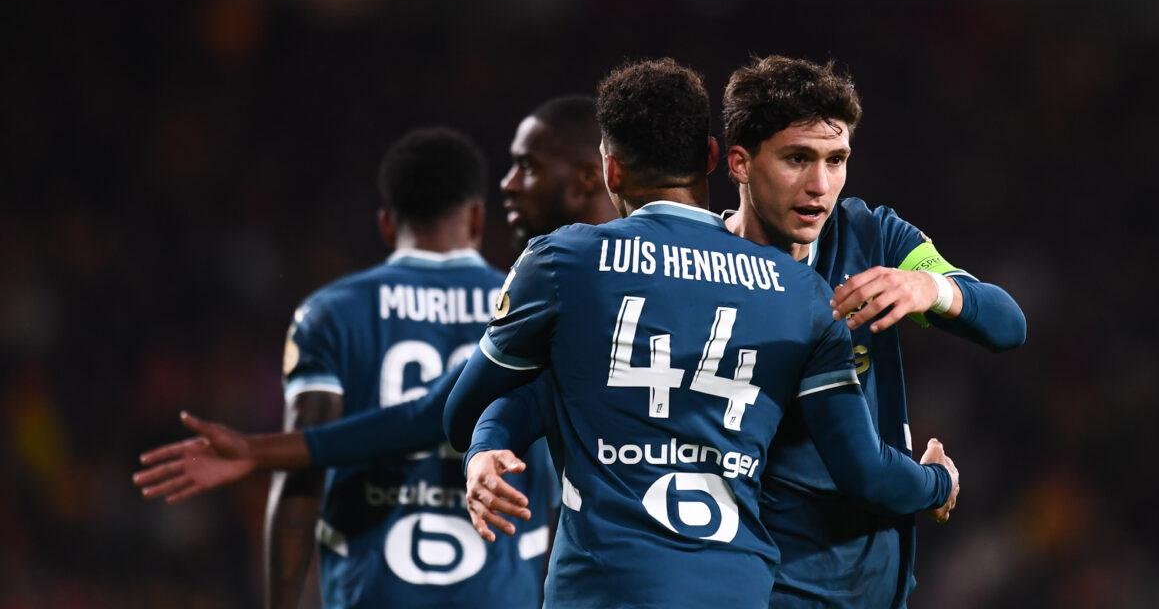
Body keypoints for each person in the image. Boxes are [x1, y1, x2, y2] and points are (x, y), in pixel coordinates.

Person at [467, 56, 1025, 608]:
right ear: (737, 163)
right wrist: (488, 444)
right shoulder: (685, 273)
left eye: (836, 160)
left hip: (872, 580)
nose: (819, 185)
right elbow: (548, 388)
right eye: (797, 159)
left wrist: (931, 289)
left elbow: (1007, 324)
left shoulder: (871, 237)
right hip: (770, 578)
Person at [135, 128, 558, 608]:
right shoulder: (526, 308)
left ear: (386, 224)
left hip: (371, 592)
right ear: (478, 217)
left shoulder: (330, 313)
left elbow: (300, 477)